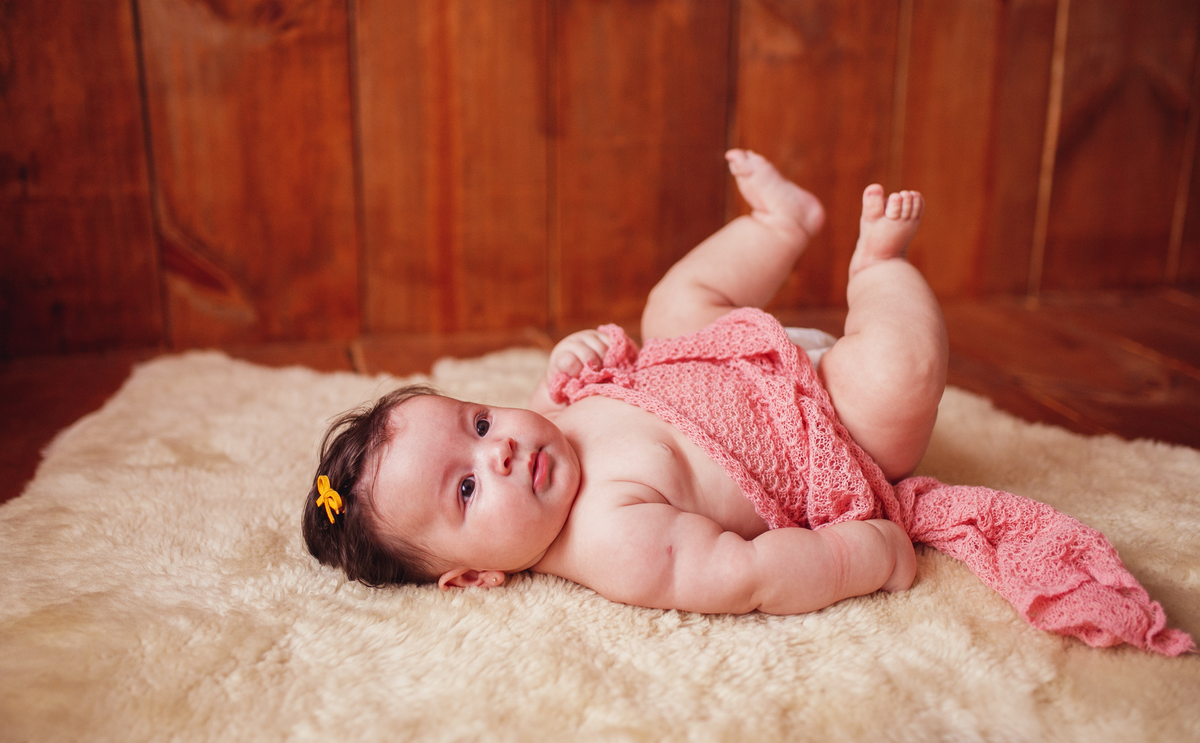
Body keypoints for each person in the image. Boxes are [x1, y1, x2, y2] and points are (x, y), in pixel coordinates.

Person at [301, 151, 1192, 655]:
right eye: (465, 491)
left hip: (721, 354)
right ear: (473, 577)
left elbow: (570, 389)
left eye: (480, 421)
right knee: (898, 383)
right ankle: (877, 274)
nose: (497, 451)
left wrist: (567, 364)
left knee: (669, 309)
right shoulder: (612, 542)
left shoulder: (547, 434)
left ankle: (779, 228)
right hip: (826, 433)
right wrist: (859, 559)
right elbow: (747, 577)